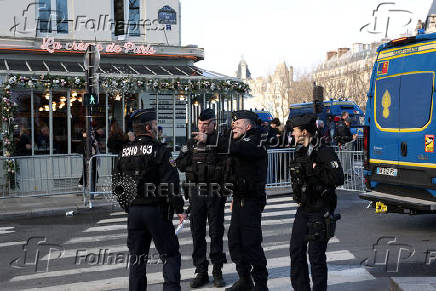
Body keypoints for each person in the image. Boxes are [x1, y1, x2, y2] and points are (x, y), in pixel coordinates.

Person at [113, 109, 185, 291]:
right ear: (147, 127)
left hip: (135, 211)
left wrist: (128, 207)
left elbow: (117, 185)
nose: (156, 128)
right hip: (156, 210)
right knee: (170, 255)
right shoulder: (160, 150)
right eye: (154, 125)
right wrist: (179, 209)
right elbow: (171, 184)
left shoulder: (124, 152)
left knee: (137, 259)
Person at [288, 114, 344, 291]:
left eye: (295, 131)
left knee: (316, 257)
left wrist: (317, 170)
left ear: (304, 132)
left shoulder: (324, 151)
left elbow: (339, 178)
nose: (292, 134)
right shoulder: (300, 151)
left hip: (320, 209)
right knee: (296, 251)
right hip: (304, 208)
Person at [176, 109, 228, 288]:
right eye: (201, 124)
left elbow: (228, 155)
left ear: (214, 124)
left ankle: (217, 270)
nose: (203, 128)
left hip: (215, 192)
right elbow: (180, 164)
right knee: (197, 232)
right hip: (197, 192)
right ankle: (201, 270)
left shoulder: (221, 140)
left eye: (207, 125)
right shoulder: (191, 142)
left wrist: (209, 141)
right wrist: (188, 159)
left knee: (216, 232)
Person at [226, 110, 268, 291]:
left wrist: (213, 140)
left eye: (237, 124)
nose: (233, 126)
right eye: (232, 124)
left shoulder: (255, 140)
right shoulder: (239, 142)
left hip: (252, 200)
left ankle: (260, 284)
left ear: (248, 126)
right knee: (234, 240)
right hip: (240, 198)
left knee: (251, 243)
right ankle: (244, 279)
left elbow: (239, 149)